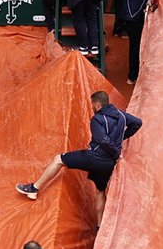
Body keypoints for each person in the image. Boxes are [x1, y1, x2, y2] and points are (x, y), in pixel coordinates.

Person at [16, 89, 141, 217]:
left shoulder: (97, 119)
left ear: (97, 105)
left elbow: (103, 140)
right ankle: (98, 227)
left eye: (92, 104)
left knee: (58, 159)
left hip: (94, 157)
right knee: (100, 192)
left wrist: (115, 152)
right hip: (108, 164)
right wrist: (120, 139)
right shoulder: (121, 115)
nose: (91, 106)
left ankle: (34, 188)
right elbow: (138, 123)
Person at [118, 0, 159, 85]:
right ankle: (132, 77)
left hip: (129, 14)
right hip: (132, 17)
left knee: (136, 45)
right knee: (135, 46)